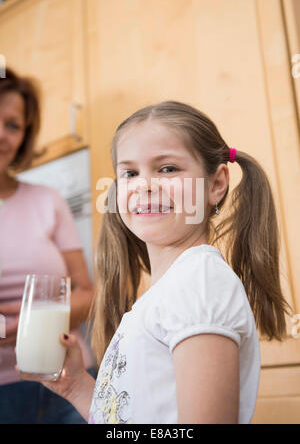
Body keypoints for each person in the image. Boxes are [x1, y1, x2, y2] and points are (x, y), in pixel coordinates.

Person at [26, 100, 291, 424]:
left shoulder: (199, 283)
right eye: (130, 173)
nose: (144, 185)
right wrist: (78, 387)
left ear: (216, 184)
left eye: (167, 168)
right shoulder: (170, 290)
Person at [0, 67, 96, 424]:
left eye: (12, 125)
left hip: (69, 378)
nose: (1, 135)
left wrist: (34, 323)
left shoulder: (48, 200)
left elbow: (86, 291)